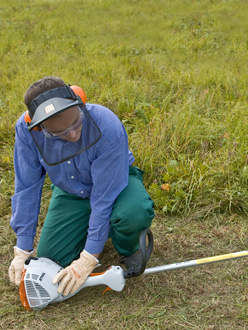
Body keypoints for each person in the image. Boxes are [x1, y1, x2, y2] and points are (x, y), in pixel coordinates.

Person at [8, 76, 154, 296]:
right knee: (51, 259)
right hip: (71, 192)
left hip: (115, 185)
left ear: (79, 103)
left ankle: (128, 244)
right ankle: (96, 230)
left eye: (76, 124)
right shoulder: (27, 131)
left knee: (131, 214)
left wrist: (88, 258)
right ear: (39, 127)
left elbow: (104, 197)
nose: (73, 134)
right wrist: (23, 250)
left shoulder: (106, 124)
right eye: (60, 133)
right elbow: (27, 187)